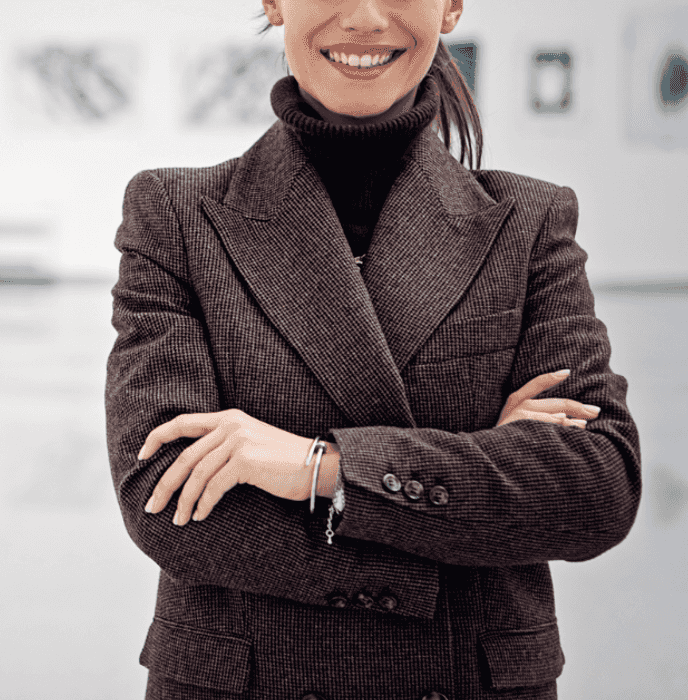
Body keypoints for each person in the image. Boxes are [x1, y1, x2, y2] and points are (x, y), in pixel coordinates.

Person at [104, 0, 642, 698]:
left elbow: (595, 488)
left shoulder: (528, 224)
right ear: (272, 3)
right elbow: (163, 498)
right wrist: (472, 487)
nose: (363, 17)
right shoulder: (175, 214)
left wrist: (320, 469)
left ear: (450, 7)